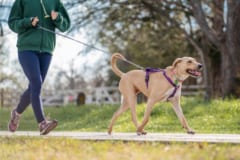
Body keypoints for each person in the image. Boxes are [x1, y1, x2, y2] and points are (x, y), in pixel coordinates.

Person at [8, 0, 70, 135]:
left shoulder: (55, 2)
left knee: (33, 87)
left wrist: (57, 18)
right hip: (27, 49)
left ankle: (17, 113)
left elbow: (66, 25)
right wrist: (28, 22)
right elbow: (12, 23)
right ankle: (42, 123)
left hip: (47, 50)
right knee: (36, 82)